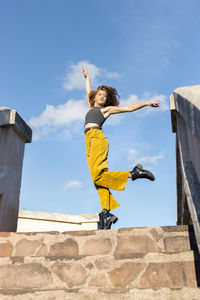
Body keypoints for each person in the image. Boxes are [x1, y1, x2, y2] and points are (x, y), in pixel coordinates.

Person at [82, 66, 160, 230]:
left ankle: (133, 174)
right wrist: (87, 77)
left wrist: (146, 103)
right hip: (88, 141)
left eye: (105, 96)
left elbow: (128, 108)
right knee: (98, 179)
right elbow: (88, 90)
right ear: (95, 97)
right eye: (100, 95)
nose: (102, 97)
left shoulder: (106, 110)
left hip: (97, 138)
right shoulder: (90, 106)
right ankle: (105, 213)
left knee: (98, 176)